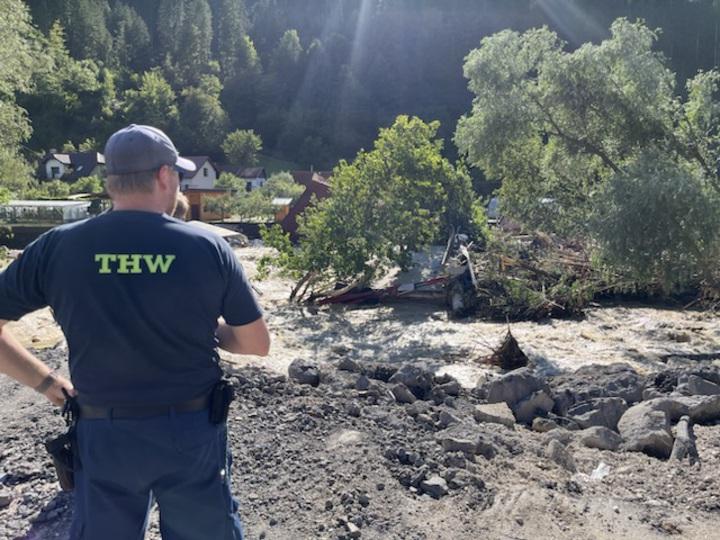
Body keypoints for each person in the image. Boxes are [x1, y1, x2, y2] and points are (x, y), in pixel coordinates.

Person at [0, 124, 270, 539]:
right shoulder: (208, 246)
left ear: (111, 183)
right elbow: (256, 343)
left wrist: (46, 382)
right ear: (164, 176)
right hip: (191, 429)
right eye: (178, 174)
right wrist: (209, 329)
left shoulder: (57, 247)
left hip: (104, 433)